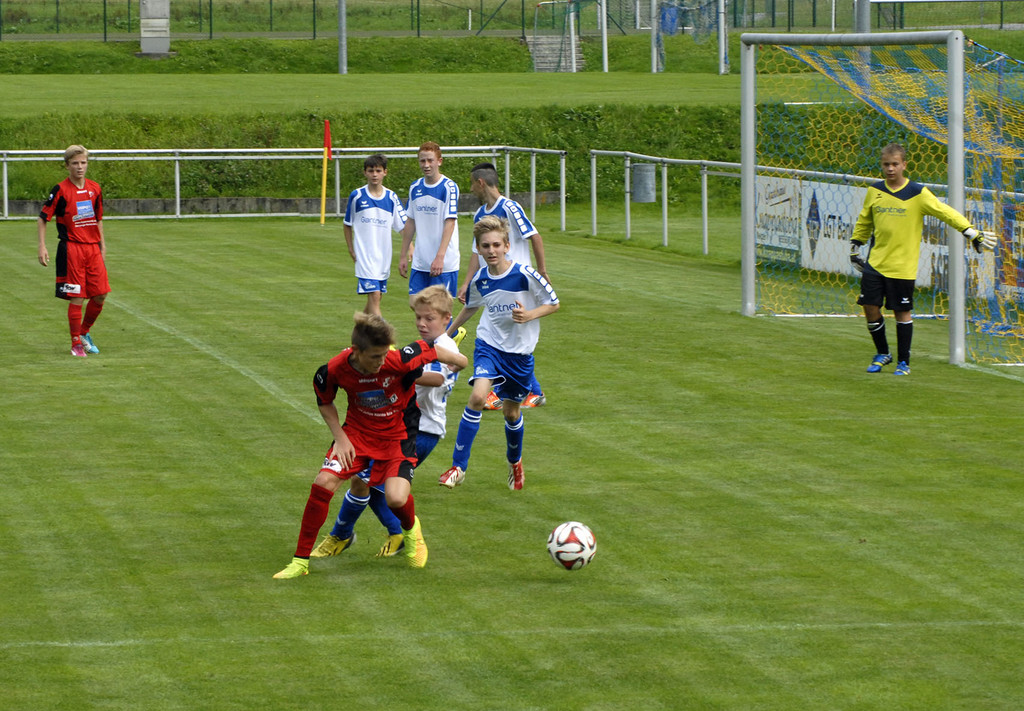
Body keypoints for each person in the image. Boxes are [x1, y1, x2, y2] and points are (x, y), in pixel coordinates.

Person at [273, 311, 464, 579]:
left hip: (398, 436)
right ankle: (300, 561)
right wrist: (341, 439)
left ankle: (411, 531)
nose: (381, 361)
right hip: (357, 435)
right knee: (323, 482)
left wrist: (459, 362)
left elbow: (439, 352)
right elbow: (325, 401)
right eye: (375, 356)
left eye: (384, 354)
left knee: (395, 498)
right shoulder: (335, 368)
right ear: (356, 351)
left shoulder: (398, 358)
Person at [311, 286, 467, 560]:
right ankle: (348, 535)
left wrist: (391, 367)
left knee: (369, 485)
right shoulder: (426, 345)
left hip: (420, 430)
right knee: (363, 482)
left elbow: (437, 378)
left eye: (429, 318)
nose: (421, 323)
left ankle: (364, 534)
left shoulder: (445, 347)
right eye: (418, 317)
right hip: (400, 426)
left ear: (446, 319)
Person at [850, 142, 996, 376]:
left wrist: (970, 232)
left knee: (901, 312)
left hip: (902, 267)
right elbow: (865, 219)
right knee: (870, 307)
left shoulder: (917, 193)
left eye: (895, 164)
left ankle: (903, 362)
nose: (890, 169)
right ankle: (883, 353)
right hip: (875, 262)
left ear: (904, 165)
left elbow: (944, 212)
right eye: (886, 164)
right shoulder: (874, 191)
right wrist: (855, 245)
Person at [439, 216, 559, 492]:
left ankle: (515, 462)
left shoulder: (526, 274)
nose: (491, 250)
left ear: (507, 246)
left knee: (511, 413)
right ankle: (458, 467)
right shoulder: (480, 278)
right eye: (485, 246)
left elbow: (553, 303)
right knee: (478, 397)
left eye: (496, 245)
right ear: (479, 249)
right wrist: (446, 335)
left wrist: (529, 315)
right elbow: (471, 306)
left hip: (519, 356)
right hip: (489, 346)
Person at [460, 161, 550, 410]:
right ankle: (515, 392)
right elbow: (475, 252)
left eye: (472, 184)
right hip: (491, 284)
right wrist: (467, 282)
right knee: (498, 336)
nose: (471, 189)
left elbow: (534, 236)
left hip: (518, 286)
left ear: (480, 183)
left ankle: (501, 391)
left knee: (507, 339)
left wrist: (541, 272)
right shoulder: (480, 215)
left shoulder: (509, 207)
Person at [37, 145, 108, 358]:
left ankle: (84, 333)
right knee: (77, 296)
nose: (80, 167)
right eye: (75, 163)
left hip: (92, 248)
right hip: (72, 249)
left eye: (83, 162)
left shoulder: (95, 189)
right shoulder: (60, 190)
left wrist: (102, 245)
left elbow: (98, 218)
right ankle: (75, 342)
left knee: (101, 294)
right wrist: (42, 246)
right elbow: (43, 218)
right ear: (67, 166)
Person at [343, 153, 407, 316]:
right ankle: (383, 333)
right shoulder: (357, 196)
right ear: (365, 172)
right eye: (371, 171)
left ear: (385, 172)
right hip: (364, 257)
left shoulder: (391, 197)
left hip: (383, 257)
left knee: (376, 298)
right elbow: (347, 224)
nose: (374, 175)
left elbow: (402, 226)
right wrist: (351, 249)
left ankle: (358, 330)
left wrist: (410, 246)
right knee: (375, 296)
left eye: (378, 171)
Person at [398, 142, 461, 300]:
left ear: (439, 161)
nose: (426, 165)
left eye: (430, 160)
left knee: (438, 310)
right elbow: (410, 222)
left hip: (444, 263)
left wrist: (440, 257)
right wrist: (403, 254)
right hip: (421, 261)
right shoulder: (415, 187)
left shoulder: (449, 187)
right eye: (422, 161)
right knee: (415, 303)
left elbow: (450, 223)